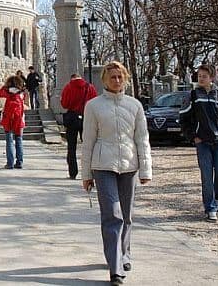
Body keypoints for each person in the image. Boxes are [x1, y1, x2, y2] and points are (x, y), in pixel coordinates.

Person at [81, 61, 152, 285]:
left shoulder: (135, 106)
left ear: (126, 79)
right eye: (112, 77)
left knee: (127, 215)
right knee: (112, 214)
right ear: (104, 79)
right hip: (103, 165)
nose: (117, 80)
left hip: (129, 165)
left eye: (120, 77)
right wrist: (86, 174)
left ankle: (124, 253)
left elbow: (142, 139)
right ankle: (115, 267)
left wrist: (145, 169)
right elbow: (88, 141)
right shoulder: (93, 106)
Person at [180, 63, 218, 222]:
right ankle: (210, 208)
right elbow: (184, 118)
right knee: (206, 176)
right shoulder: (193, 96)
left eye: (204, 76)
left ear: (212, 78)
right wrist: (192, 136)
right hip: (202, 142)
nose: (201, 79)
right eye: (199, 76)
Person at [60, 73, 98, 179]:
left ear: (72, 78)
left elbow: (64, 104)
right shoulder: (90, 87)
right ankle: (90, 172)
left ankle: (73, 173)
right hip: (87, 118)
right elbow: (95, 103)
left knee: (71, 147)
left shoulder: (68, 87)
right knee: (89, 147)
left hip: (72, 119)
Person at [0, 75, 26, 169]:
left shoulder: (7, 93)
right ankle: (19, 162)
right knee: (19, 140)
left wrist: (5, 86)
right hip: (19, 118)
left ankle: (10, 163)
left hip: (8, 117)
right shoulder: (21, 94)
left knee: (9, 140)